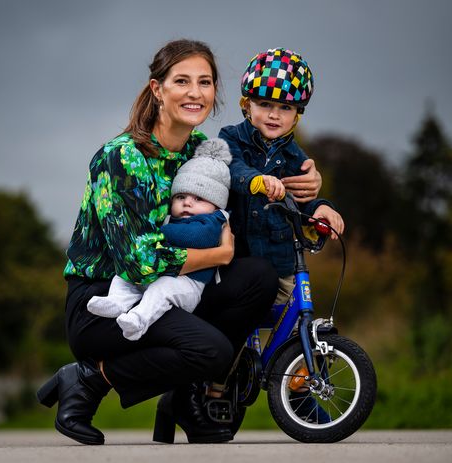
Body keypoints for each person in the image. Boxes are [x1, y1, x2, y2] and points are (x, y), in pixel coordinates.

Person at [36, 39, 324, 446]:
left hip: (172, 289)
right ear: (158, 90)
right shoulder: (120, 158)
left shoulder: (201, 153)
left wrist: (313, 188)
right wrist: (218, 253)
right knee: (214, 351)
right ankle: (86, 379)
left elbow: (258, 176)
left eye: (204, 82)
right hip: (104, 301)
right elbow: (137, 263)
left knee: (257, 276)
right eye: (182, 81)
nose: (195, 92)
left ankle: (185, 400)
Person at [219, 47, 345, 305]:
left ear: (296, 115)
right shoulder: (231, 137)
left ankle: (294, 347)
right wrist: (257, 181)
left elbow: (300, 199)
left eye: (285, 107)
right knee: (236, 320)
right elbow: (232, 168)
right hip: (235, 258)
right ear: (247, 105)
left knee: (292, 316)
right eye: (265, 104)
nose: (274, 114)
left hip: (280, 261)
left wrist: (320, 208)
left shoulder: (295, 156)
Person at [86, 138, 232, 341]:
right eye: (181, 197)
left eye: (198, 198)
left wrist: (156, 234)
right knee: (125, 275)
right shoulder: (171, 219)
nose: (187, 203)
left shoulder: (214, 221)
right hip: (158, 273)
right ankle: (118, 300)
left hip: (186, 286)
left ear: (216, 205)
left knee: (161, 290)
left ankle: (139, 320)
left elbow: (196, 237)